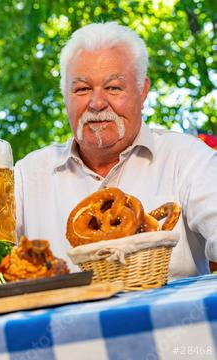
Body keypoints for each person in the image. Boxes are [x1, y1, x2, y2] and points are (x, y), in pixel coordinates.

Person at [15, 22, 217, 279]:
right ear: (65, 95)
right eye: (82, 89)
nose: (97, 103)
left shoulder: (188, 159)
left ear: (143, 91)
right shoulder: (26, 176)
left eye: (113, 87)